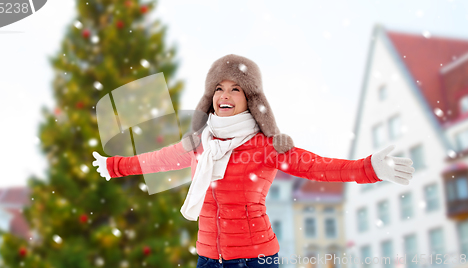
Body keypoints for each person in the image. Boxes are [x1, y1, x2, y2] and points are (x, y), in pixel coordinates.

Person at [92, 54, 415, 268]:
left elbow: (317, 166)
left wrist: (369, 168)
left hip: (253, 258)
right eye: (218, 88)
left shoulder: (264, 147)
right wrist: (113, 165)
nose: (225, 95)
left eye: (235, 89)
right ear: (209, 99)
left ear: (251, 100)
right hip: (207, 257)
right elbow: (156, 160)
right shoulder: (199, 145)